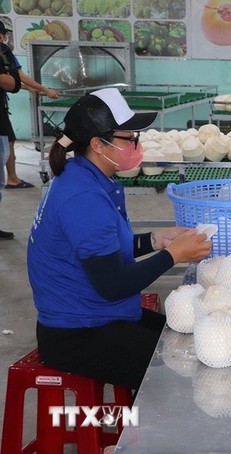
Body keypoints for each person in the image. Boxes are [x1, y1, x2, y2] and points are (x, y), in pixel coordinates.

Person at [27, 88, 212, 390]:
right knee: (188, 367)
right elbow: (113, 285)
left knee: (187, 336)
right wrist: (173, 255)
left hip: (96, 313)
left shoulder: (85, 176)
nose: (136, 144)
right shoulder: (83, 197)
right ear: (98, 144)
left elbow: (101, 253)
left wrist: (155, 240)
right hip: (78, 333)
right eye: (130, 138)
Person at [0, 21, 60, 189]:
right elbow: (20, 76)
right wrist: (45, 89)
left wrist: (29, 88)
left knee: (9, 141)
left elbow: (10, 81)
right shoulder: (3, 50)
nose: (4, 38)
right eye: (4, 34)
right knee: (7, 143)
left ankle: (12, 177)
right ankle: (12, 179)